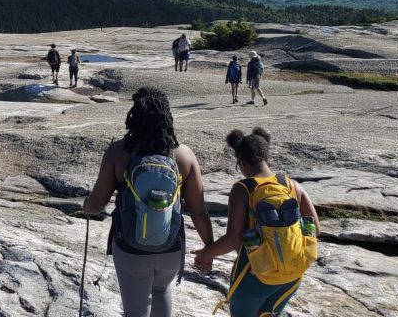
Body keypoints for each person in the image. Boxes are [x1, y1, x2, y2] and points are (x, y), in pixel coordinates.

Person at [83, 87, 214, 317]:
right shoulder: (183, 155)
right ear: (168, 117)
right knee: (162, 290)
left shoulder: (118, 152)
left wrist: (86, 206)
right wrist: (209, 248)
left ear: (134, 115)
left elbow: (97, 204)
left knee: (136, 311)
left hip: (130, 247)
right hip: (171, 246)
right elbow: (199, 211)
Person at [193, 128, 319, 317]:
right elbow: (315, 228)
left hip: (255, 276)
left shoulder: (243, 190)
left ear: (241, 162)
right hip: (293, 275)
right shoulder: (292, 185)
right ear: (266, 157)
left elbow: (232, 240)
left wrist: (205, 255)